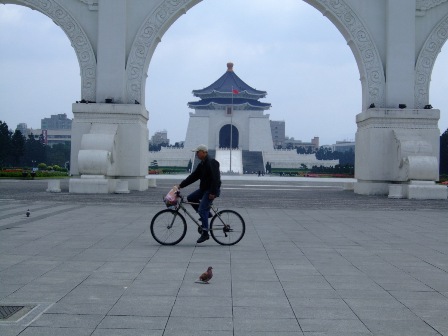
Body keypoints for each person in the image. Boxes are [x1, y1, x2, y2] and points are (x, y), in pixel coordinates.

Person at [178, 144, 221, 243]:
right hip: (204, 189)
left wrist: (213, 192)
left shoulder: (211, 162)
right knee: (191, 198)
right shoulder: (202, 164)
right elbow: (193, 176)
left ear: (204, 152)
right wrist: (181, 185)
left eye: (198, 152)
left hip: (211, 190)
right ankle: (207, 215)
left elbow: (216, 179)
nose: (196, 154)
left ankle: (205, 233)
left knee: (202, 209)